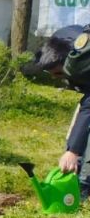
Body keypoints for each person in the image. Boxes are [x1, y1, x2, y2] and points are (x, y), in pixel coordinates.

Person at [31, 25, 90, 201]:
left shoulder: (83, 62)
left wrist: (73, 151)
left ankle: (84, 187)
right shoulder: (63, 40)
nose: (56, 78)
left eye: (59, 73)